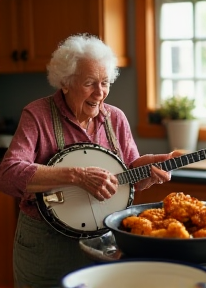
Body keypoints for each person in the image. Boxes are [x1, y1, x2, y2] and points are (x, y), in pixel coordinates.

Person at [0, 34, 176, 288]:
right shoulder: (37, 115)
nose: (100, 92)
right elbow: (8, 174)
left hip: (105, 241)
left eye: (105, 82)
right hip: (47, 247)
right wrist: (77, 176)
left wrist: (144, 169)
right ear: (66, 83)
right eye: (90, 83)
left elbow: (125, 176)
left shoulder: (115, 118)